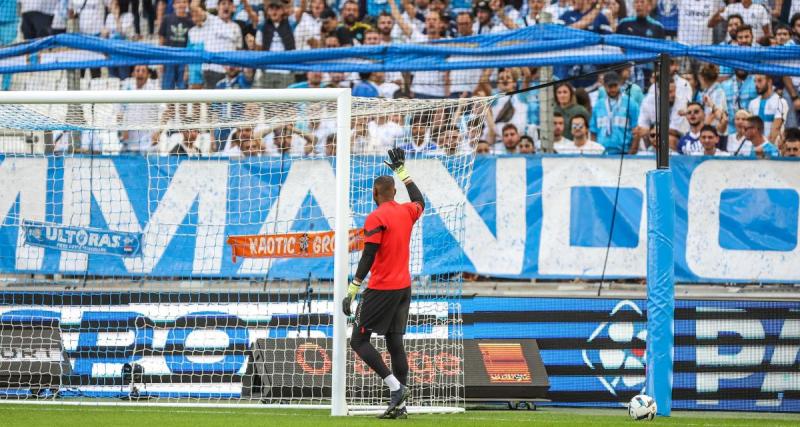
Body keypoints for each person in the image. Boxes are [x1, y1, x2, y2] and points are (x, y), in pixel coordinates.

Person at [343, 148, 425, 420]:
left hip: (382, 288)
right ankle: (399, 408)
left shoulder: (376, 217)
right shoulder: (406, 211)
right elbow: (420, 201)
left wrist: (353, 289)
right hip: (404, 287)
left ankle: (396, 388)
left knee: (358, 339)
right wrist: (403, 172)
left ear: (375, 193)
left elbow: (368, 255)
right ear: (395, 192)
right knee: (394, 342)